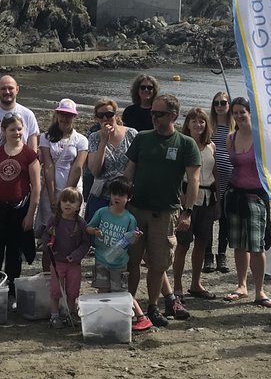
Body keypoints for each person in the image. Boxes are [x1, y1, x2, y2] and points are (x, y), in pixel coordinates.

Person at [123, 93, 199, 326]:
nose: (153, 117)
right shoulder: (142, 138)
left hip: (165, 213)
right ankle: (130, 304)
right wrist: (119, 202)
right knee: (132, 260)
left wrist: (187, 211)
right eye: (152, 113)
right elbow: (129, 171)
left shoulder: (186, 143)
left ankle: (153, 306)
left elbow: (193, 178)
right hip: (136, 210)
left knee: (158, 262)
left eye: (159, 113)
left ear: (173, 115)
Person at [0, 115, 38, 297]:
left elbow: (36, 187)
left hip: (19, 210)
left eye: (19, 129)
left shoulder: (30, 155)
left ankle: (12, 292)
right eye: (12, 129)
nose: (17, 133)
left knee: (14, 253)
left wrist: (30, 215)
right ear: (3, 131)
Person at [222, 97, 271, 310]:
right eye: (235, 112)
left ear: (250, 113)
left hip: (256, 197)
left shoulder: (261, 138)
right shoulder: (231, 138)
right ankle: (241, 285)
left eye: (242, 112)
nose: (238, 116)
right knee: (238, 244)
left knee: (256, 245)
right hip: (235, 194)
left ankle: (259, 290)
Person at [86, 178, 152, 332]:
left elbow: (130, 240)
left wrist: (135, 237)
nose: (116, 197)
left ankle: (141, 316)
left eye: (121, 195)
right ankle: (103, 318)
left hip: (119, 263)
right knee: (102, 289)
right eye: (114, 194)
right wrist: (95, 231)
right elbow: (88, 226)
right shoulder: (102, 212)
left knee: (121, 293)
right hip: (101, 259)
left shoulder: (129, 218)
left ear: (128, 198)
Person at [173, 108, 216, 300]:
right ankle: (177, 286)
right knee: (183, 244)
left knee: (202, 243)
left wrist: (219, 201)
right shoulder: (181, 144)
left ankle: (196, 283)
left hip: (208, 198)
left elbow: (215, 174)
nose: (198, 125)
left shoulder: (211, 146)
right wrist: (181, 198)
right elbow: (175, 174)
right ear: (187, 124)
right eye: (194, 121)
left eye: (202, 121)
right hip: (186, 197)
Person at [37, 99, 89, 245]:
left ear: (74, 117)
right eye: (62, 114)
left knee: (70, 219)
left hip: (72, 186)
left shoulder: (81, 140)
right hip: (51, 184)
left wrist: (66, 195)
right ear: (57, 114)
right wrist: (53, 196)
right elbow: (47, 165)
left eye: (69, 115)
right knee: (50, 220)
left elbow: (77, 167)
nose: (65, 118)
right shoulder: (45, 137)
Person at [43, 187, 91, 327]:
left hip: (74, 264)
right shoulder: (54, 220)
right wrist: (48, 247)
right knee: (56, 289)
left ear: (78, 205)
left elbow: (86, 243)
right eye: (64, 200)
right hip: (57, 262)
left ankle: (69, 313)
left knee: (72, 290)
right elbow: (46, 235)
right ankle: (54, 315)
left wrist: (76, 256)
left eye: (72, 201)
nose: (67, 204)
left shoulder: (81, 223)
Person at [86, 98, 138, 218]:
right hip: (101, 195)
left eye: (109, 115)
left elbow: (136, 164)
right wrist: (103, 141)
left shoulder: (132, 134)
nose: (105, 119)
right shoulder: (94, 137)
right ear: (96, 118)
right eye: (101, 115)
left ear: (116, 115)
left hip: (125, 196)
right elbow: (95, 170)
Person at [208, 91, 234, 273]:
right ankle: (207, 255)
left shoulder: (235, 127)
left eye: (223, 103)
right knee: (209, 217)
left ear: (229, 105)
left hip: (230, 178)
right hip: (210, 176)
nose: (219, 106)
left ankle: (222, 254)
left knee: (225, 217)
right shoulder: (210, 125)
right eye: (216, 103)